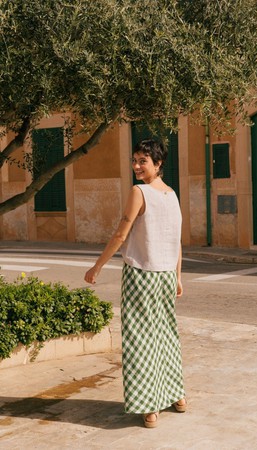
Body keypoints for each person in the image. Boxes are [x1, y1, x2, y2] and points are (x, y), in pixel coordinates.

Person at [84, 139, 186, 428]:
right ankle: (177, 396)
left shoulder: (139, 192)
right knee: (166, 335)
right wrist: (178, 276)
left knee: (140, 340)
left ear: (158, 163)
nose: (137, 166)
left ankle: (149, 407)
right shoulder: (171, 194)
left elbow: (120, 233)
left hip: (141, 274)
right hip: (165, 275)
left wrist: (97, 266)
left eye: (143, 161)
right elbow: (176, 240)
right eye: (135, 160)